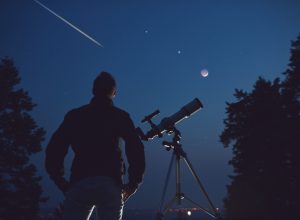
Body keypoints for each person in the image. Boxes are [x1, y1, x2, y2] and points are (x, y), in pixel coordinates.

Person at [45, 72, 145, 220]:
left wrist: (60, 181)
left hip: (80, 182)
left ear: (93, 91)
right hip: (110, 183)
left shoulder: (75, 116)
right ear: (114, 92)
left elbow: (55, 149)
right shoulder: (119, 116)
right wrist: (133, 183)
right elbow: (135, 148)